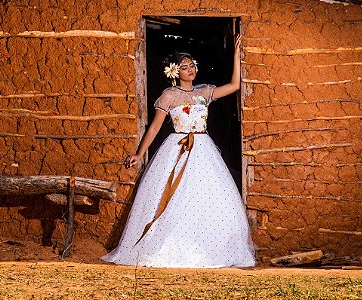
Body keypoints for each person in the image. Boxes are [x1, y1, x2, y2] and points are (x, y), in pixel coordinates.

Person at [102, 34, 255, 268]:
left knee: (206, 199)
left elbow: (234, 86)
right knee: (171, 198)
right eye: (184, 67)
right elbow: (154, 127)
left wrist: (236, 54)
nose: (190, 69)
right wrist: (139, 153)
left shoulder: (204, 93)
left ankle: (205, 246)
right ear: (175, 72)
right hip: (177, 148)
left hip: (203, 149)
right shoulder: (169, 95)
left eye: (192, 64)